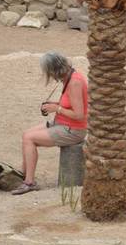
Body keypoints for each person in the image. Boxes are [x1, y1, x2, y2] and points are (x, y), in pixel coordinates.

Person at [11, 51, 88, 195]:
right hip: (62, 123)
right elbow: (70, 103)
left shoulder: (75, 82)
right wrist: (54, 104)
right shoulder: (68, 77)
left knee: (29, 139)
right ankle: (23, 173)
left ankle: (29, 182)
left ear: (55, 69)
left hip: (73, 130)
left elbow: (79, 114)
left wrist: (57, 108)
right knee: (26, 134)